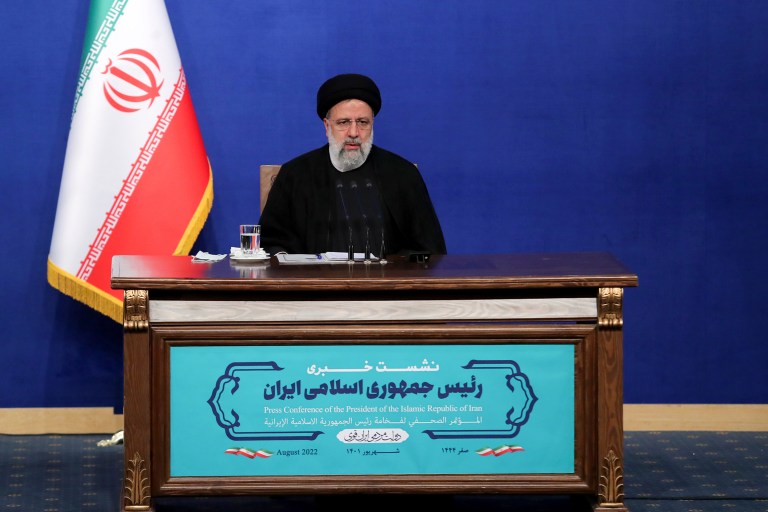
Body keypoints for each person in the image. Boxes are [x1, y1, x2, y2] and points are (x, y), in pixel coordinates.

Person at [259, 73, 446, 258]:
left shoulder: (403, 174)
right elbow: (271, 243)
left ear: (372, 124)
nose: (354, 132)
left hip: (385, 285)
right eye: (344, 122)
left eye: (363, 122)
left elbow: (430, 250)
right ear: (327, 125)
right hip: (315, 285)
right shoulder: (295, 174)